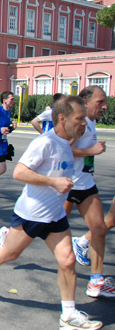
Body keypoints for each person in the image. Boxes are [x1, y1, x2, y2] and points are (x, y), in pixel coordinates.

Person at [0, 95, 102, 330]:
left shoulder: (67, 143)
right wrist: (53, 182)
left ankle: (68, 315)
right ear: (62, 118)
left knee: (67, 261)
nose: (84, 124)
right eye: (79, 119)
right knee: (9, 254)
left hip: (55, 216)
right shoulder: (45, 143)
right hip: (31, 215)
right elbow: (20, 173)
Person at [62, 86, 114, 299]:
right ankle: (11, 235)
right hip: (67, 185)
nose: (105, 106)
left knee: (99, 228)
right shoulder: (80, 124)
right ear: (85, 101)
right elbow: (63, 149)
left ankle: (96, 281)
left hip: (85, 185)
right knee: (43, 227)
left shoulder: (91, 122)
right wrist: (90, 151)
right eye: (100, 102)